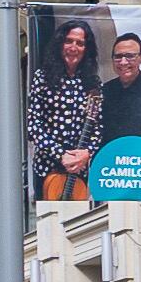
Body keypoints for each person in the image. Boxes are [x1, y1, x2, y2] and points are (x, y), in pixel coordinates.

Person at [31, 17, 101, 202]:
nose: (73, 47)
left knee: (78, 223)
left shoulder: (92, 83)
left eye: (80, 43)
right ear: (60, 44)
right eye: (68, 41)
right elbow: (34, 125)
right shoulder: (43, 78)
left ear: (87, 49)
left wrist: (87, 153)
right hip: (49, 166)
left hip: (79, 168)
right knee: (51, 223)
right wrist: (60, 155)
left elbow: (99, 127)